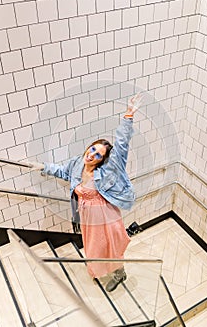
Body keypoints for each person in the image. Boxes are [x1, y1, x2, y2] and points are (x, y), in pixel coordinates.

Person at [31, 93, 142, 292]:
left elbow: (122, 147)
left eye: (98, 154)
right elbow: (63, 172)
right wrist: (43, 166)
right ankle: (100, 269)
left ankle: (119, 273)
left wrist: (128, 115)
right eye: (92, 149)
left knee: (110, 247)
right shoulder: (76, 163)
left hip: (105, 216)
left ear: (102, 160)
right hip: (87, 217)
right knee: (94, 247)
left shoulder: (108, 170)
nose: (92, 155)